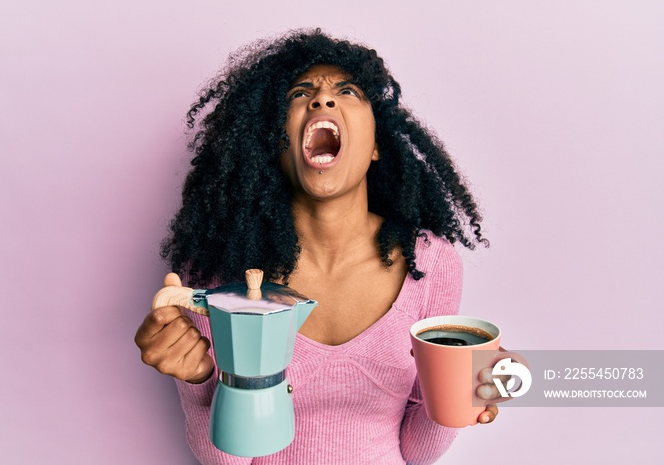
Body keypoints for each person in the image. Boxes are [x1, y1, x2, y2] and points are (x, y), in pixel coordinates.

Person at [135, 29, 499, 465]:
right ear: (276, 143)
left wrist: (458, 399)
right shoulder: (217, 271)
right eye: (300, 92)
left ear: (377, 145)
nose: (323, 100)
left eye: (347, 91)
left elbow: (416, 453)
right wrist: (199, 383)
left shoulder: (431, 263)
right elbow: (230, 461)